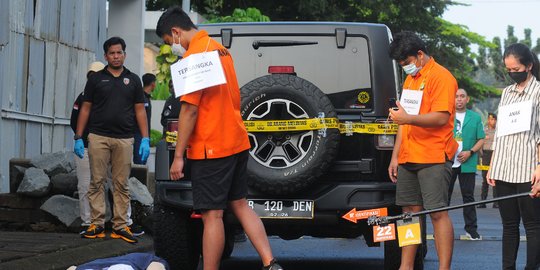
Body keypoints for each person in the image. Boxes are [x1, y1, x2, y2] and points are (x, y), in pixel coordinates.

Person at [156, 7, 283, 270]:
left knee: (211, 215)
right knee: (240, 204)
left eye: (170, 42)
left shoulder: (194, 58)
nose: (173, 48)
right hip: (235, 140)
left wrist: (178, 156)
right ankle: (270, 263)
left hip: (211, 147)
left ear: (176, 32)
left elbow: (190, 110)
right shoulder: (220, 49)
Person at [387, 31, 458, 270]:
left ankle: (443, 268)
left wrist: (407, 117)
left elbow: (440, 118)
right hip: (408, 156)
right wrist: (395, 156)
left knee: (438, 213)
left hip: (434, 157)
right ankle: (405, 267)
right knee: (409, 214)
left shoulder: (442, 77)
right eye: (401, 65)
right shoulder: (411, 80)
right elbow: (402, 122)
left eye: (406, 63)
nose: (405, 68)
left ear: (419, 55)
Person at [74, 37, 150, 244]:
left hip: (124, 139)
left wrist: (145, 138)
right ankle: (96, 224)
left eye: (119, 52)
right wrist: (78, 137)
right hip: (98, 137)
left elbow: (140, 111)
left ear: (124, 54)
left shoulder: (134, 80)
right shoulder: (96, 79)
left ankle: (120, 226)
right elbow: (85, 108)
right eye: (112, 53)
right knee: (96, 182)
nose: (116, 56)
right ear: (106, 56)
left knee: (121, 184)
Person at [487, 43, 540, 270]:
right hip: (504, 168)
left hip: (528, 168)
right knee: (509, 225)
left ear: (528, 66)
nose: (511, 74)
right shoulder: (507, 93)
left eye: (515, 69)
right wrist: (493, 166)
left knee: (533, 225)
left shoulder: (538, 92)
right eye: (507, 70)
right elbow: (500, 133)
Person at [447, 88, 485, 240]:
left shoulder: (475, 117)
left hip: (467, 163)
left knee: (468, 196)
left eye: (462, 96)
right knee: (444, 197)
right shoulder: (446, 116)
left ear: (467, 99)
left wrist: (470, 152)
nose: (459, 99)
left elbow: (481, 138)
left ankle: (471, 229)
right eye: (456, 96)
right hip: (448, 162)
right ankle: (440, 230)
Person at [133, 73, 156, 165]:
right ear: (153, 84)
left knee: (142, 160)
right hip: (139, 133)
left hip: (144, 134)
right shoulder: (141, 97)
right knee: (139, 161)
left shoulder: (146, 97)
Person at [478, 112, 498, 208]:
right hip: (486, 155)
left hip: (495, 155)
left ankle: (496, 202)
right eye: (490, 119)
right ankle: (483, 201)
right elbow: (480, 143)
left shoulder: (498, 131)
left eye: (494, 119)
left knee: (495, 179)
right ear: (488, 120)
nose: (492, 121)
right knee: (485, 179)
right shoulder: (484, 130)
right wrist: (481, 155)